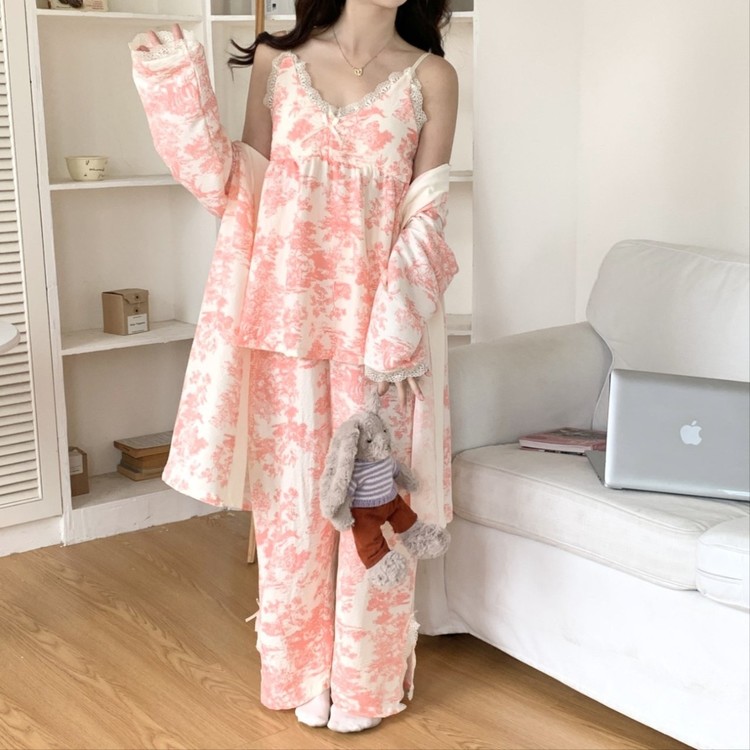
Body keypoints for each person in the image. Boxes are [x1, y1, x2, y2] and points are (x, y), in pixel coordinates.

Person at [130, 0, 458, 733]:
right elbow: (239, 191)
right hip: (284, 322)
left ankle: (366, 683)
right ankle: (300, 670)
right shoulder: (277, 65)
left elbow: (427, 215)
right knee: (293, 512)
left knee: (373, 508)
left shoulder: (431, 77)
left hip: (380, 335)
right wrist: (176, 88)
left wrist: (394, 329)